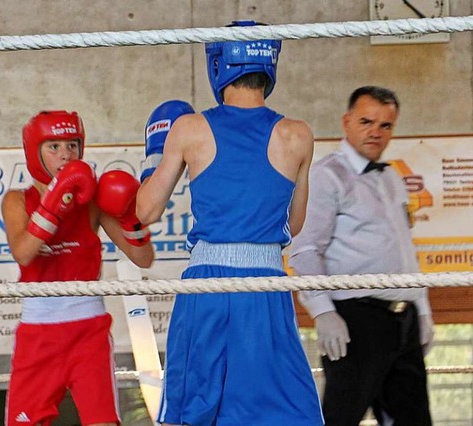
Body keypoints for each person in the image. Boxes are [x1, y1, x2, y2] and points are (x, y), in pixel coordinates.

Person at [136, 20, 323, 426]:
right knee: (281, 413)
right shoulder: (298, 135)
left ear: (218, 62)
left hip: (208, 285)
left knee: (193, 413)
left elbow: (145, 212)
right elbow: (296, 223)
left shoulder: (190, 129)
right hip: (266, 284)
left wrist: (154, 157)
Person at [289, 86, 434, 426]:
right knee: (342, 418)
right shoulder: (327, 175)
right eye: (367, 121)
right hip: (357, 319)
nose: (376, 132)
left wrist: (423, 309)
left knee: (415, 420)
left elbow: (404, 248)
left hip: (403, 319)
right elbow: (305, 249)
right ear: (347, 121)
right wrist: (323, 311)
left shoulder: (392, 177)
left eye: (386, 125)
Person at [2, 110, 154, 426]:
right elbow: (24, 253)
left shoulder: (93, 202)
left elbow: (144, 259)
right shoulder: (17, 200)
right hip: (38, 333)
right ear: (35, 152)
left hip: (88, 330)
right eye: (53, 146)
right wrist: (54, 203)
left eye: (72, 145)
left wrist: (130, 217)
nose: (65, 154)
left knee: (102, 421)